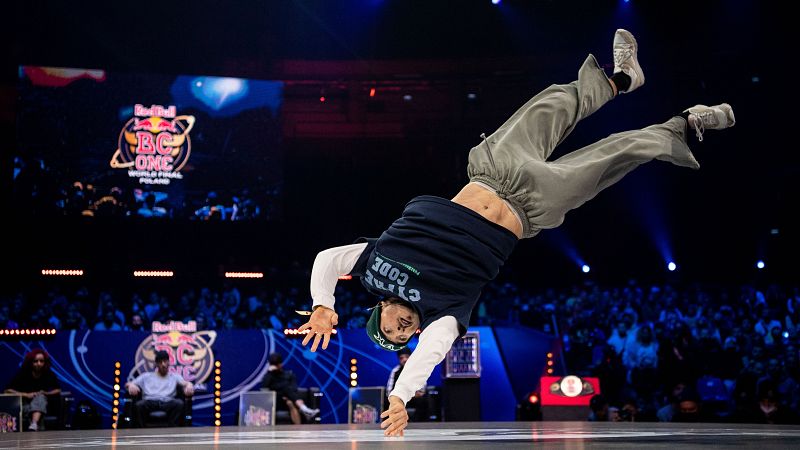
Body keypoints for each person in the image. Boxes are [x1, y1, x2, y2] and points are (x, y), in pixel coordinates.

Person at [297, 29, 736, 436]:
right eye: (401, 338)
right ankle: (686, 124)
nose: (402, 331)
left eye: (391, 328)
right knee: (616, 154)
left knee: (554, 102)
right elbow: (430, 352)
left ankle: (622, 78)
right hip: (532, 205)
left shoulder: (375, 267)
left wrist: (323, 305)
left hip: (492, 171)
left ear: (380, 309)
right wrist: (400, 396)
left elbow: (328, 260)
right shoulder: (443, 315)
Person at [125, 350, 194, 427]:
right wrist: (131, 385)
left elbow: (186, 383)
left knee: (179, 403)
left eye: (165, 361)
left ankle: (173, 430)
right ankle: (141, 430)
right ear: (156, 364)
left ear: (169, 362)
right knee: (139, 405)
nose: (163, 364)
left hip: (167, 402)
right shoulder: (146, 376)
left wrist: (189, 385)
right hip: (150, 402)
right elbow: (128, 384)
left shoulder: (174, 377)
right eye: (160, 362)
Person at [4, 349, 62, 431]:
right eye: (36, 361)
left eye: (41, 361)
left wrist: (46, 393)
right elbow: (7, 390)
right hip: (24, 405)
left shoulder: (48, 374)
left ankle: (34, 424)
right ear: (30, 362)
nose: (39, 363)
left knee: (40, 397)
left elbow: (58, 390)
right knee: (37, 410)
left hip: (42, 405)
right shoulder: (23, 373)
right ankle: (35, 425)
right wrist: (26, 394)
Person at [261, 352, 320, 423]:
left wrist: (286, 395)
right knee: (286, 388)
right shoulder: (269, 376)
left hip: (289, 399)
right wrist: (269, 372)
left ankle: (298, 427)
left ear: (280, 364)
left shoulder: (288, 374)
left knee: (290, 402)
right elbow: (264, 387)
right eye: (273, 364)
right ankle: (304, 409)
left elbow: (294, 387)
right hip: (276, 401)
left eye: (277, 364)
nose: (275, 366)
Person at [386, 347, 427, 421]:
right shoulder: (395, 371)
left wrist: (411, 394)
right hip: (400, 398)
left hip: (414, 397)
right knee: (389, 401)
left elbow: (422, 389)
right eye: (401, 358)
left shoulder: (417, 370)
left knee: (423, 401)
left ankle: (421, 424)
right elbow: (389, 390)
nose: (404, 359)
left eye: (407, 357)